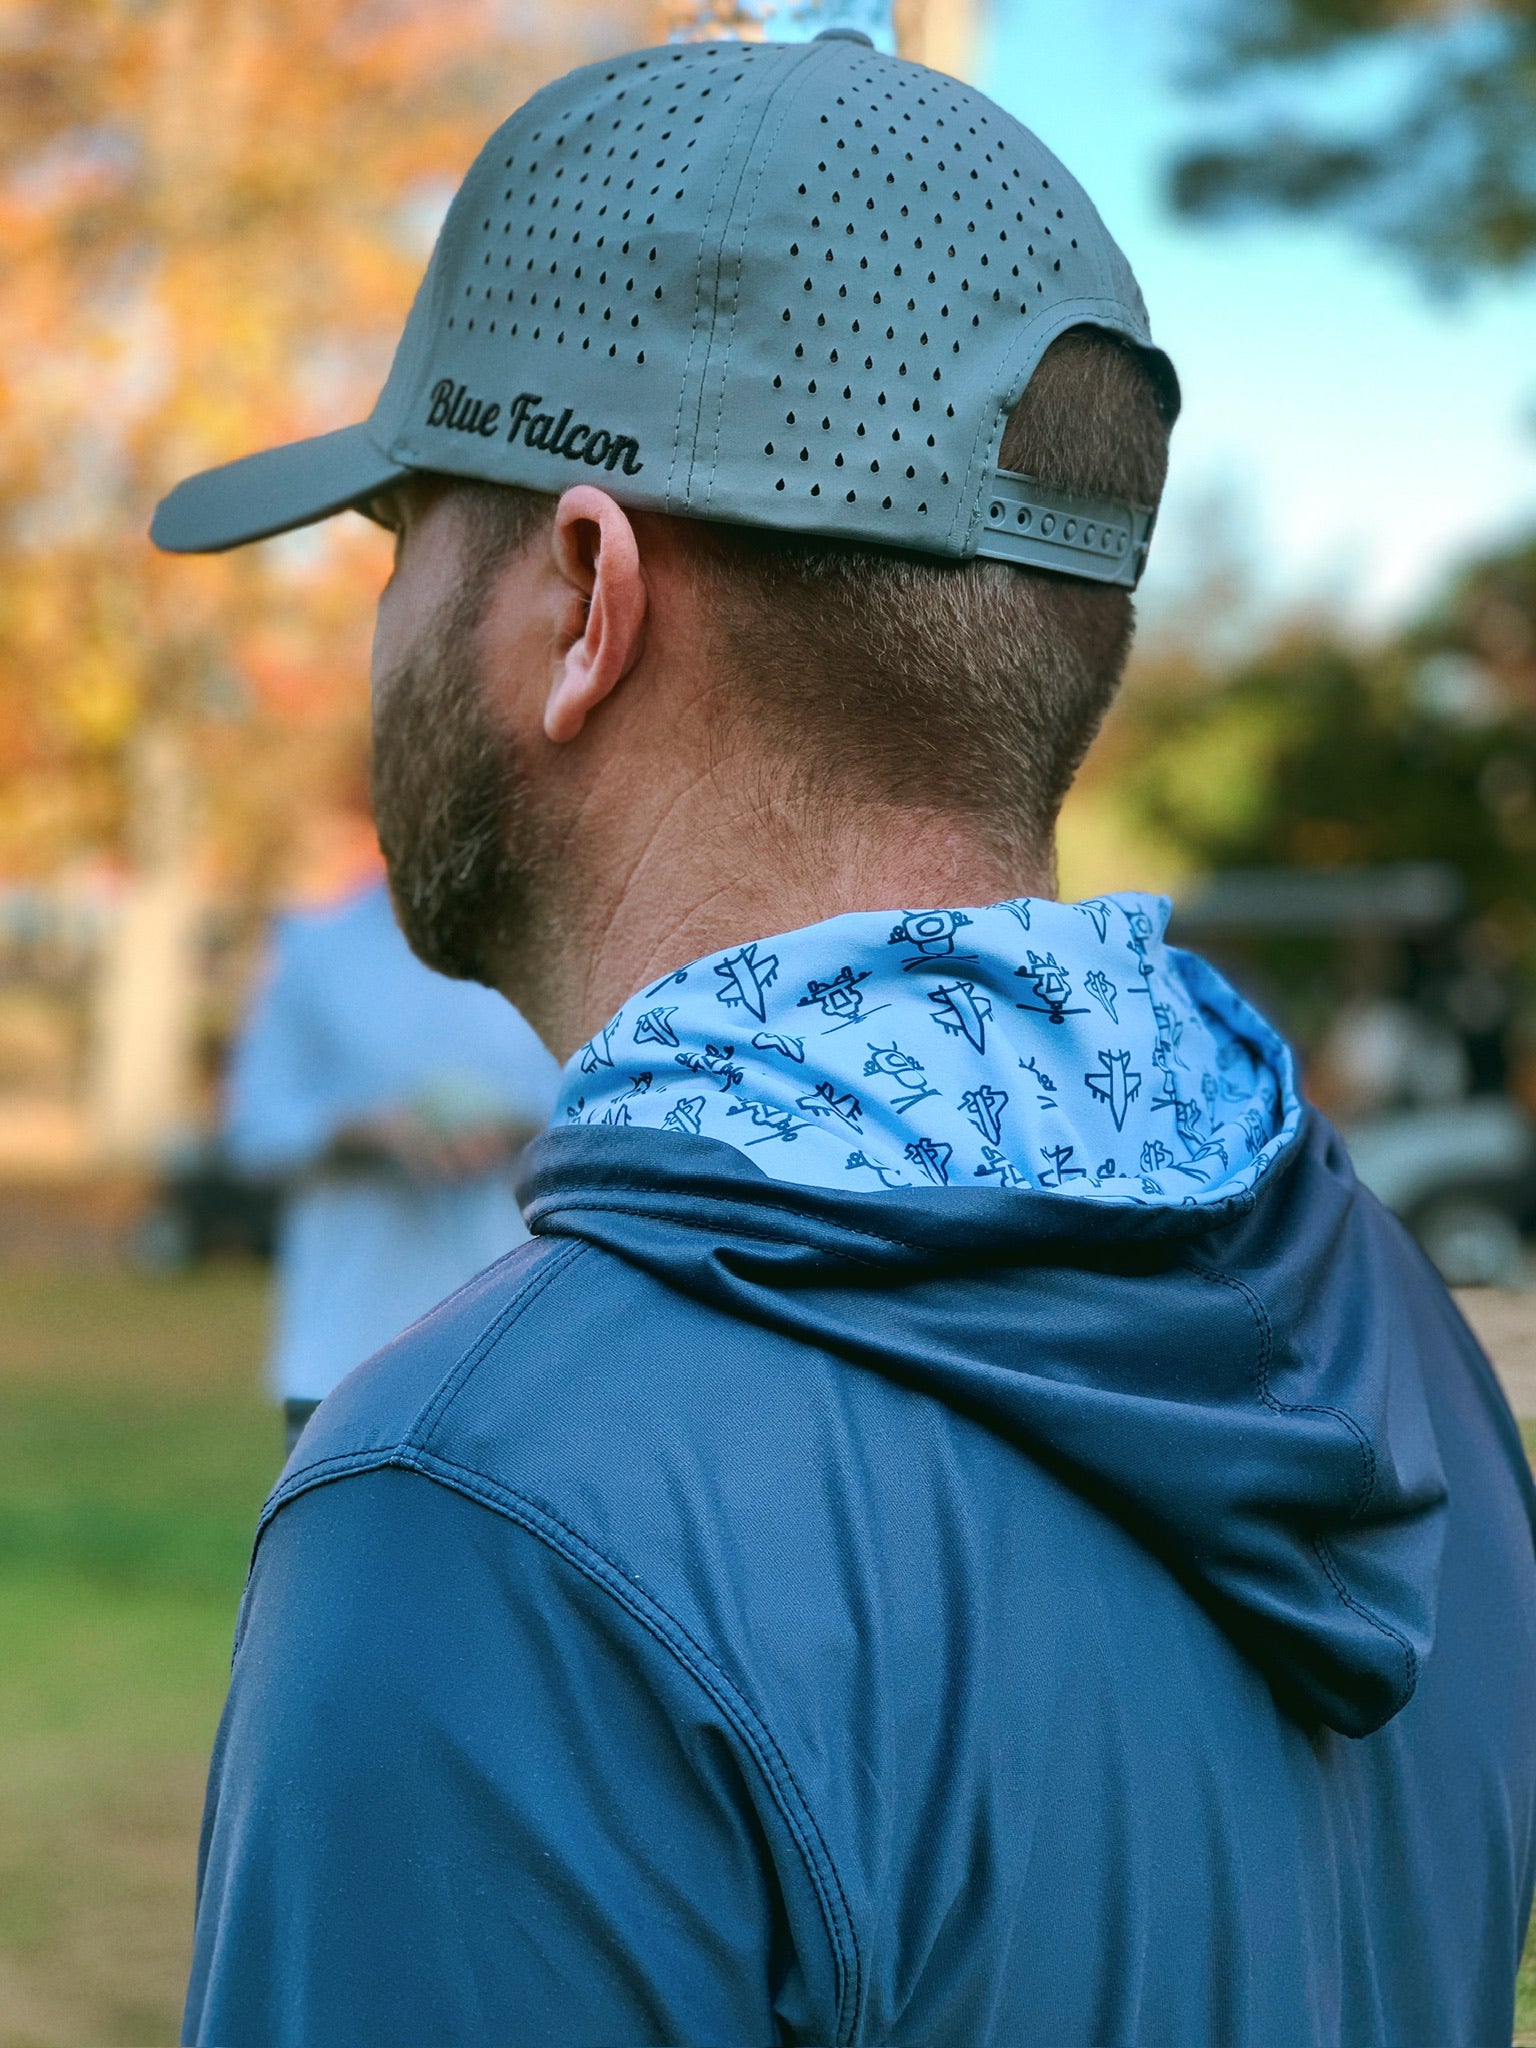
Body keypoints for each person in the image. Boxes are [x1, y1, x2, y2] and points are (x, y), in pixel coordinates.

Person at [154, 31, 1536, 2048]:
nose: (373, 634)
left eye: (399, 542)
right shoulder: (1382, 1334)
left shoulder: (479, 1516)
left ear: (581, 596)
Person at [225, 860, 560, 1455]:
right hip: (347, 1351)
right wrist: (363, 1133)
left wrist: (517, 1126)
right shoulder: (320, 947)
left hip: (527, 1352)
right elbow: (255, 1129)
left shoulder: (555, 936)